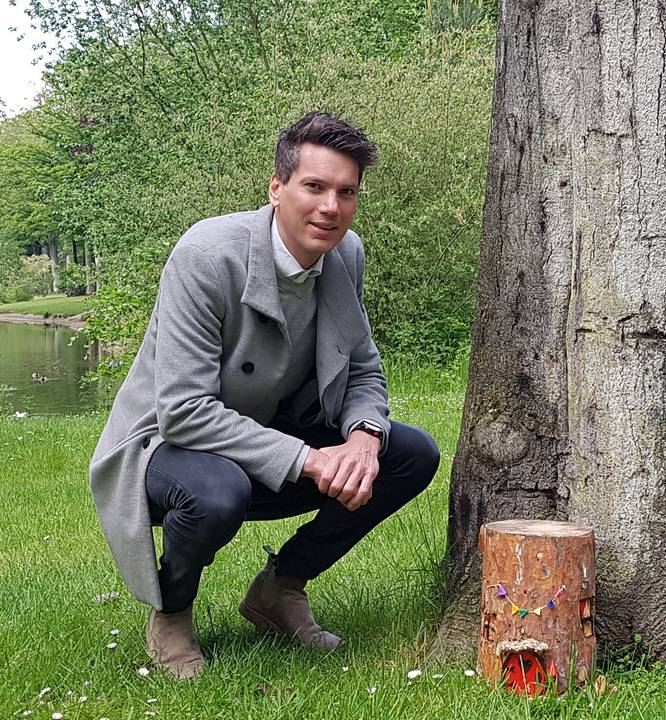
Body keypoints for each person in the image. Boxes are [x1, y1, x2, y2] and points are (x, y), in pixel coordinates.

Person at [89, 111, 440, 679]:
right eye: (315, 187)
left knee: (411, 454)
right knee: (217, 492)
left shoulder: (346, 255)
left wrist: (364, 439)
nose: (331, 207)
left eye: (346, 192)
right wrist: (309, 458)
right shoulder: (207, 254)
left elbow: (363, 371)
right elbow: (182, 412)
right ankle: (171, 611)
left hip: (270, 438)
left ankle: (280, 589)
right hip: (164, 450)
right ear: (276, 188)